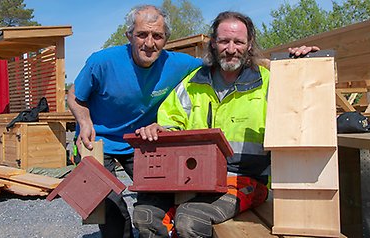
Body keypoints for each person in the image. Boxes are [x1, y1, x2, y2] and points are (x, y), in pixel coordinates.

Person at [133, 11, 320, 237]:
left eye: (238, 42)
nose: (231, 49)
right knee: (145, 217)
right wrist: (161, 130)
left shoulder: (269, 82)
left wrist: (306, 64)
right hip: (194, 180)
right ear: (213, 43)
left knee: (191, 220)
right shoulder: (192, 83)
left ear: (249, 45)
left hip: (245, 179)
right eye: (224, 41)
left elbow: (309, 103)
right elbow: (171, 122)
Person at [67, 5, 203, 238]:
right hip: (97, 139)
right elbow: (74, 95)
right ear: (129, 35)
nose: (149, 43)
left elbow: (223, 63)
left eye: (157, 36)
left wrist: (282, 61)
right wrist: (85, 121)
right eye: (142, 34)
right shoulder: (102, 61)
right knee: (106, 203)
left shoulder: (179, 63)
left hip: (140, 140)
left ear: (166, 39)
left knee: (160, 196)